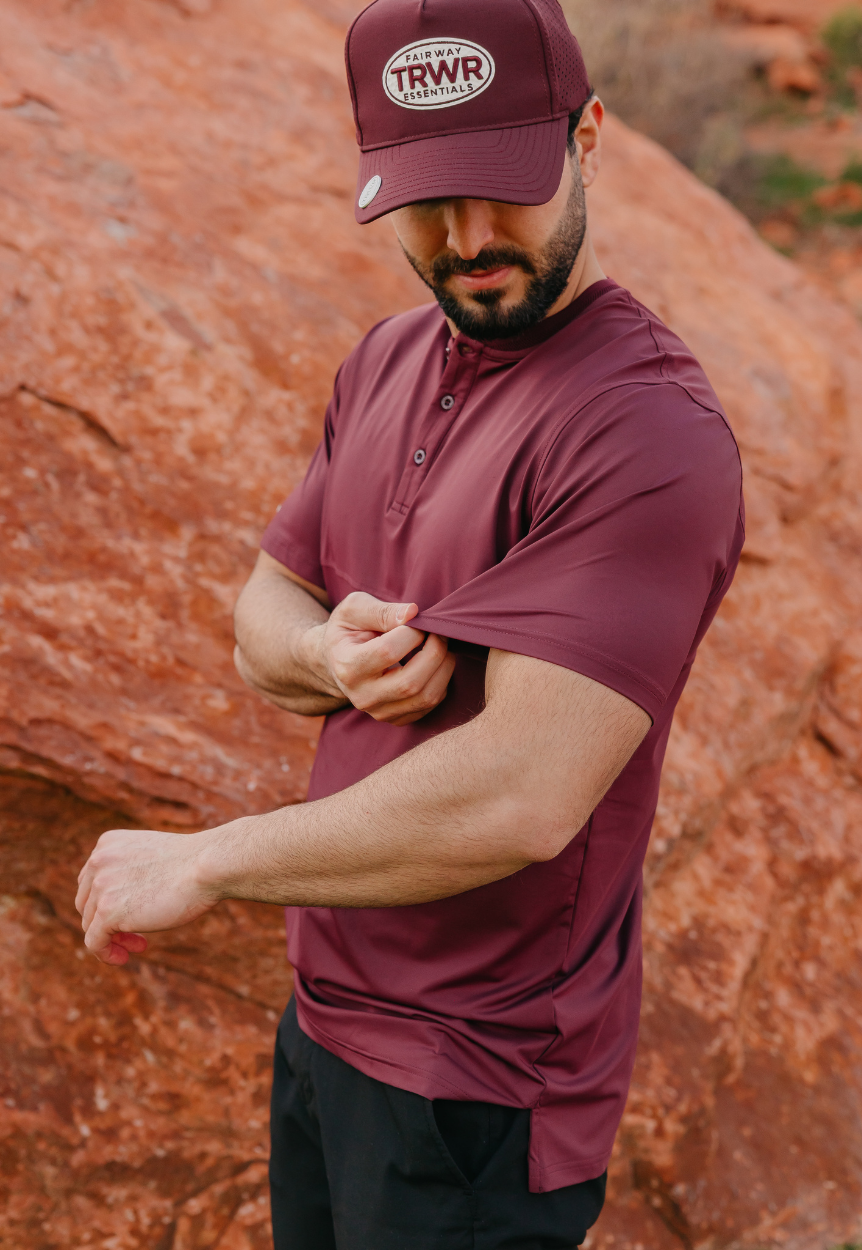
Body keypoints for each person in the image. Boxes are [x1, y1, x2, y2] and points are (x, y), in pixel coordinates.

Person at [75, 0, 745, 1245]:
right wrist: (327, 652)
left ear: (587, 135)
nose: (472, 237)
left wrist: (206, 858)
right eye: (430, 198)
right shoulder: (387, 357)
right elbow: (263, 609)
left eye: (505, 185)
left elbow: (522, 794)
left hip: (483, 1077)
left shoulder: (644, 430)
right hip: (329, 1015)